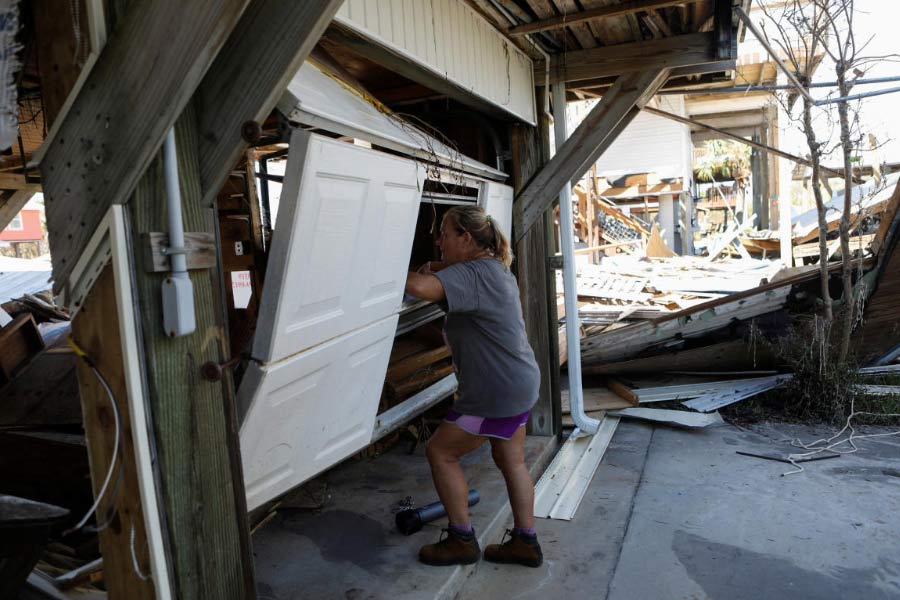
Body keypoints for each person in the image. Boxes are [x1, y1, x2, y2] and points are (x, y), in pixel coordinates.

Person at [404, 205, 543, 568]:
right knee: (511, 460)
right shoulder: (494, 267)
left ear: (466, 238)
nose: (439, 241)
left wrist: (379, 266)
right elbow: (444, 273)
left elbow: (418, 287)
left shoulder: (473, 274)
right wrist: (437, 265)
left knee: (440, 452)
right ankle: (526, 542)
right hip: (518, 382)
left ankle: (461, 540)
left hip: (494, 392)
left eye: (445, 234)